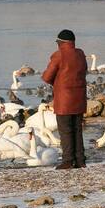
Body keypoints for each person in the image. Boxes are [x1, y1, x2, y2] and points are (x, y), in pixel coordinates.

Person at [41, 29, 88, 169]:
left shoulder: (58, 55)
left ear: (61, 43)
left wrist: (58, 83)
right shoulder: (80, 54)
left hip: (64, 99)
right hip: (79, 97)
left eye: (58, 42)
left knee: (65, 130)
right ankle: (80, 160)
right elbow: (84, 70)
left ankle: (68, 160)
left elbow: (46, 77)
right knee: (77, 129)